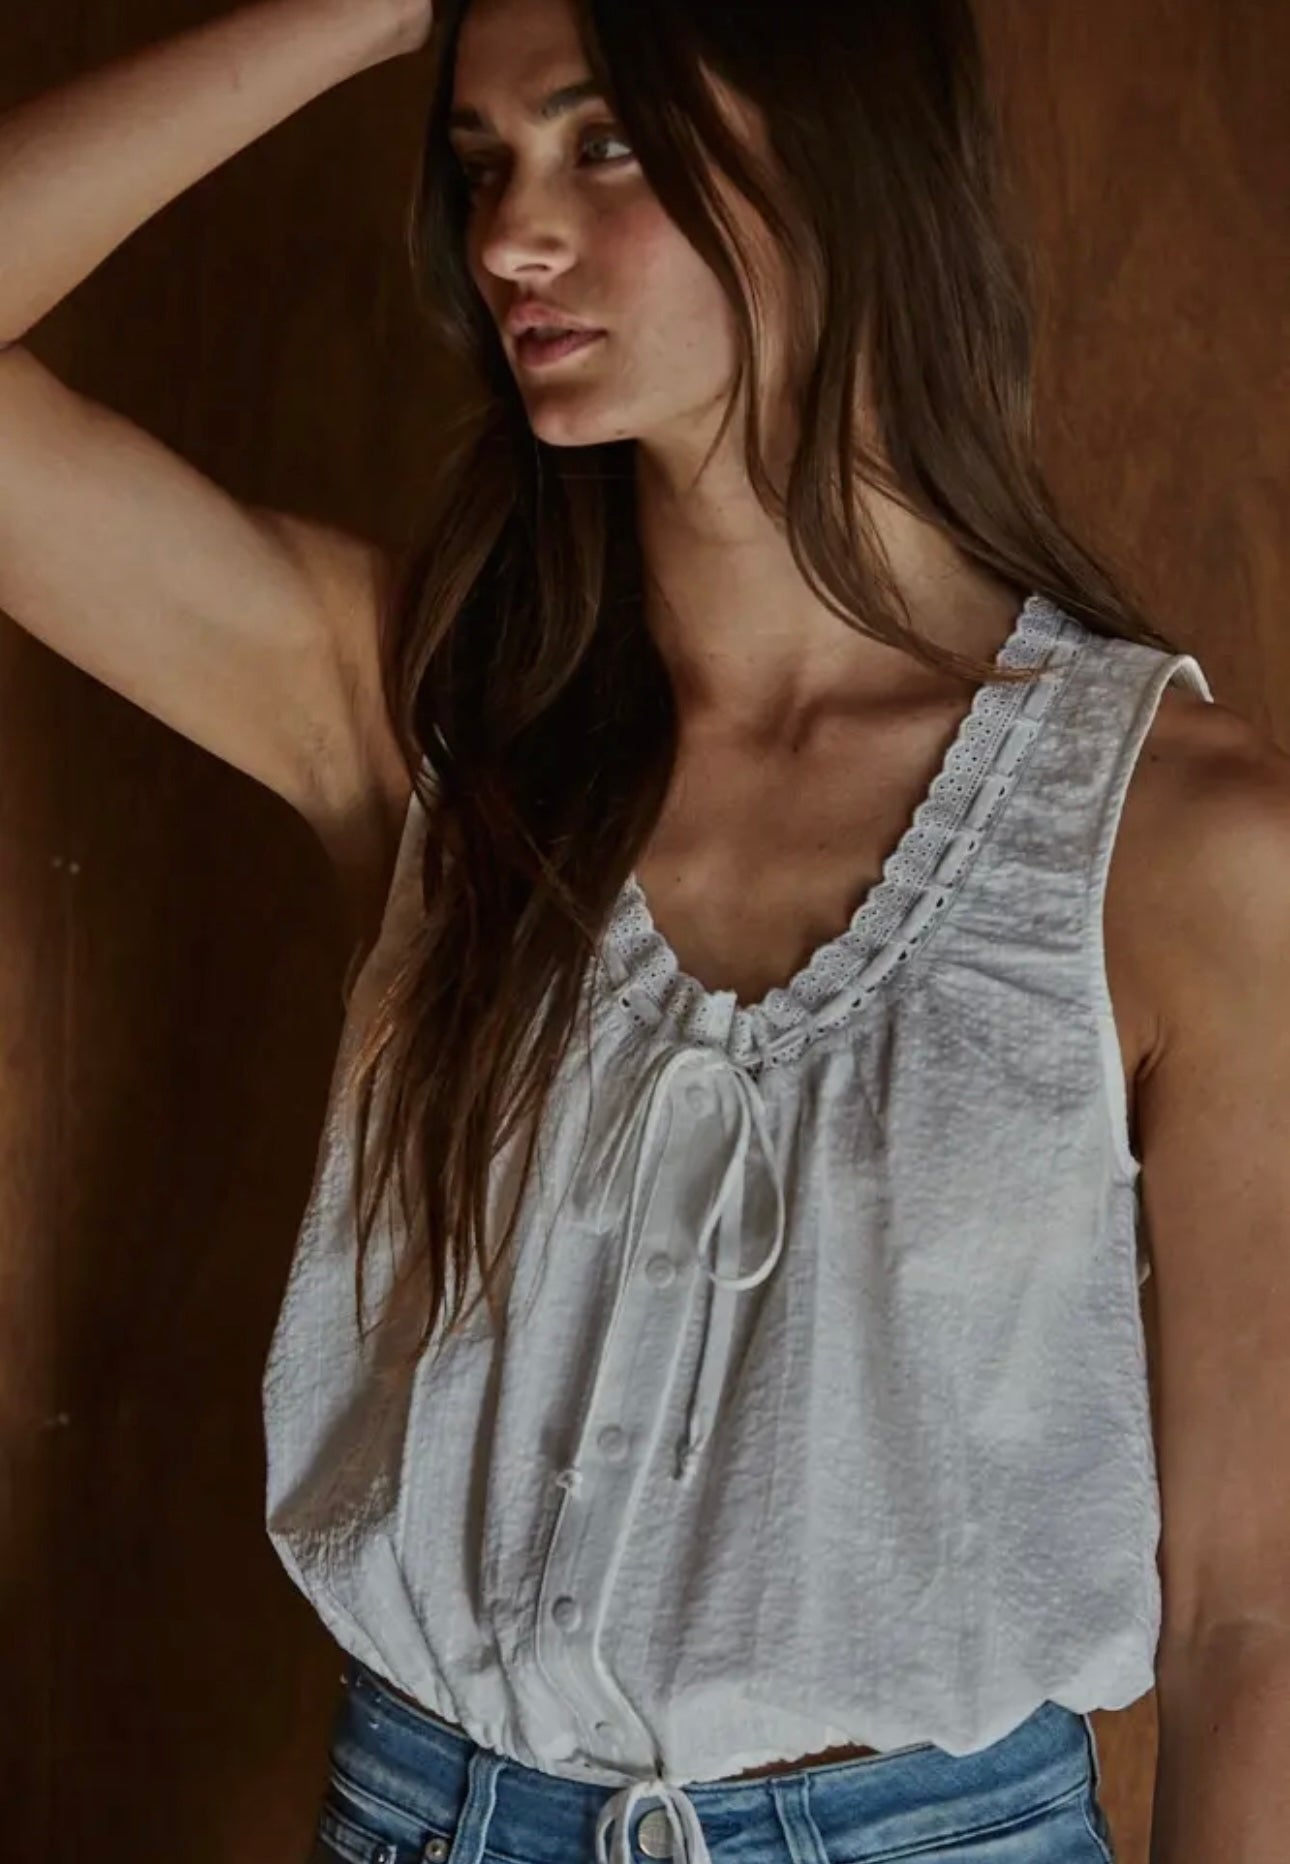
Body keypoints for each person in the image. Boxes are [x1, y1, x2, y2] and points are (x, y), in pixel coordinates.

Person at [3, 2, 1288, 1862]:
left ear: (842, 162)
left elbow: (1252, 1615)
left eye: (601, 142)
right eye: (480, 165)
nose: (509, 236)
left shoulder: (1180, 846)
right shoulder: (426, 722)